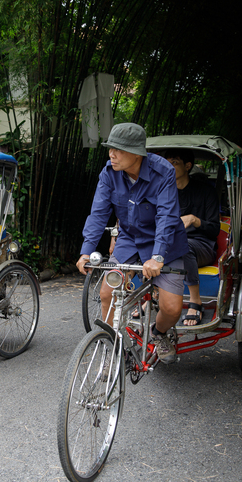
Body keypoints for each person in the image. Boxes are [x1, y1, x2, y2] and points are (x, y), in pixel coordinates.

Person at [76, 123, 188, 363]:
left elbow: (167, 216)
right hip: (130, 239)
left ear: (137, 153)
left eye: (118, 150)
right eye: (110, 149)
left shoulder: (163, 171)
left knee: (171, 309)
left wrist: (157, 257)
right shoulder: (109, 173)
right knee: (107, 292)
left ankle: (158, 334)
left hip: (165, 242)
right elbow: (98, 214)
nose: (111, 155)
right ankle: (112, 349)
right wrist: (87, 252)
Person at [165, 149, 219, 326]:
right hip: (170, 244)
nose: (169, 166)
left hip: (202, 245)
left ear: (187, 166)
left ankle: (195, 301)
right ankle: (153, 297)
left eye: (174, 162)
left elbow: (214, 229)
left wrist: (195, 220)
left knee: (183, 246)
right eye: (167, 163)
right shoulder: (164, 193)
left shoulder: (206, 192)